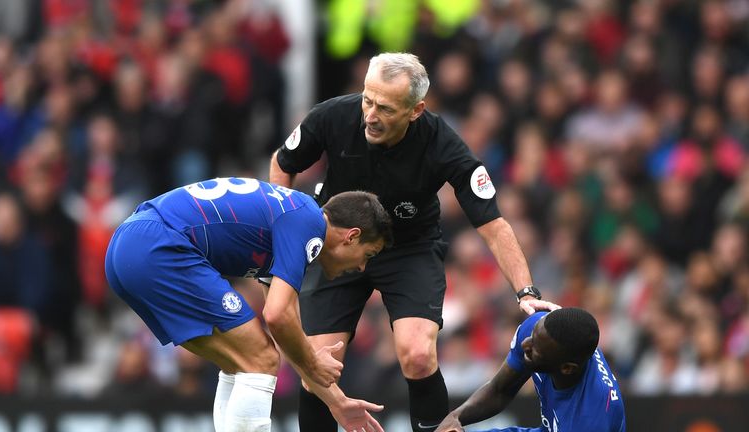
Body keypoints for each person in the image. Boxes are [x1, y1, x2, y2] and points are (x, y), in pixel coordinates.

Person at [269, 52, 560, 432]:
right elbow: (283, 164)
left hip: (409, 249)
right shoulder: (332, 115)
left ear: (415, 110)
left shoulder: (444, 145)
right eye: (367, 99)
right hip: (340, 245)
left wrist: (525, 291)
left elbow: (494, 225)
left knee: (418, 354)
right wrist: (285, 238)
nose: (370, 115)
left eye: (385, 108)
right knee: (316, 366)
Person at [104, 177, 393, 432]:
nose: (362, 268)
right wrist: (314, 362)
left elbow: (286, 332)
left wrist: (336, 401)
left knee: (241, 362)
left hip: (128, 245)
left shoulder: (290, 220)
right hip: (158, 246)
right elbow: (278, 316)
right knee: (261, 359)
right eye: (368, 254)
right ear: (351, 236)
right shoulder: (308, 223)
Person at [436, 308, 626, 432]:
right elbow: (500, 389)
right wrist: (455, 417)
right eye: (532, 336)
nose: (526, 344)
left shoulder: (591, 420)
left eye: (537, 350)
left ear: (566, 368)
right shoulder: (539, 329)